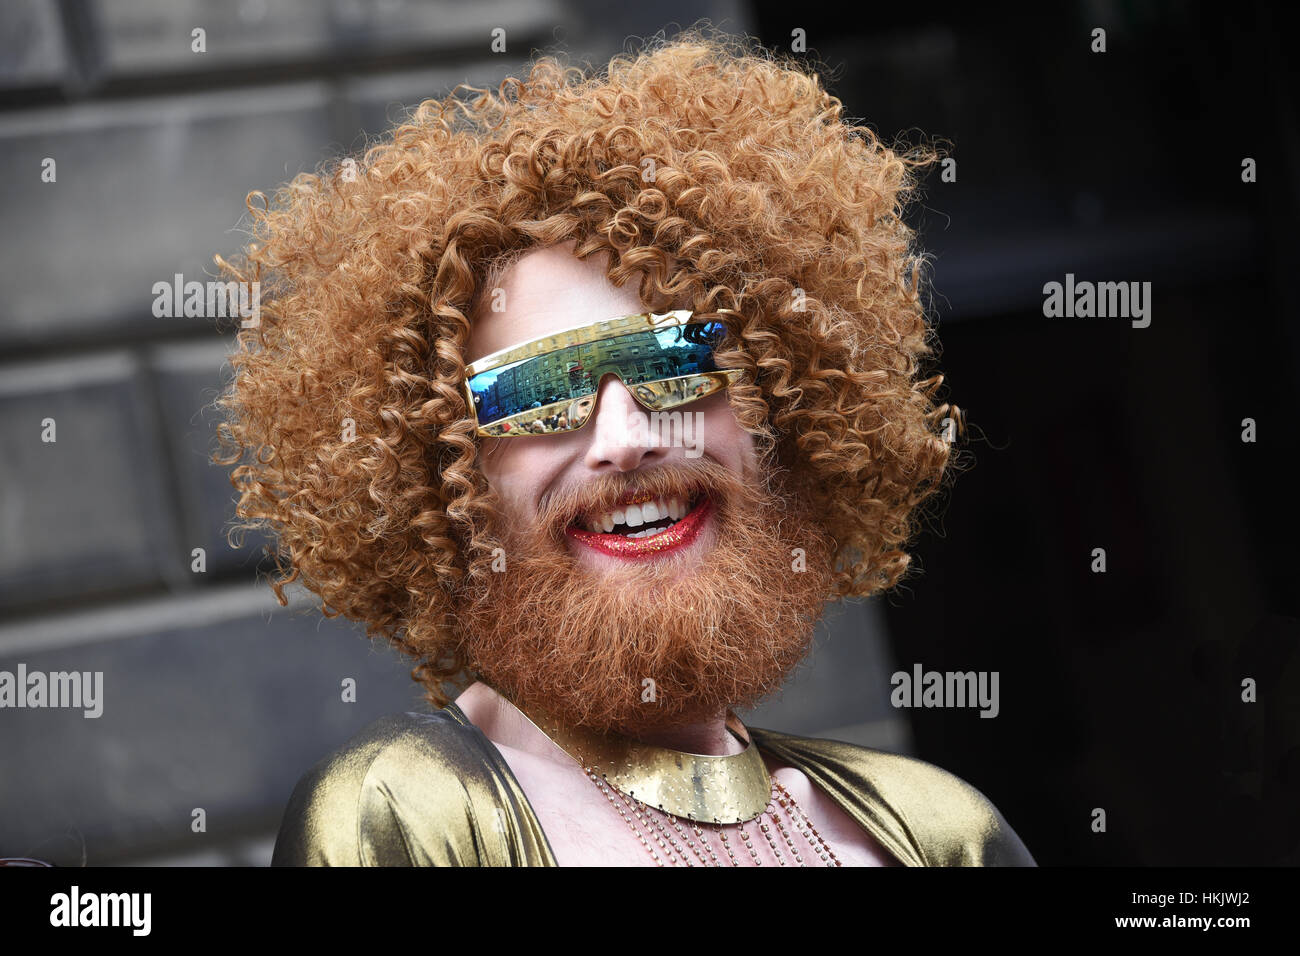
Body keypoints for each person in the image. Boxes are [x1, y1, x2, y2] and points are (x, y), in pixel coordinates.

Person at [215, 28, 1034, 867]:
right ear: (444, 481)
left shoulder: (939, 832)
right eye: (538, 392)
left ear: (782, 415)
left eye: (674, 362)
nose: (628, 440)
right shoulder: (403, 810)